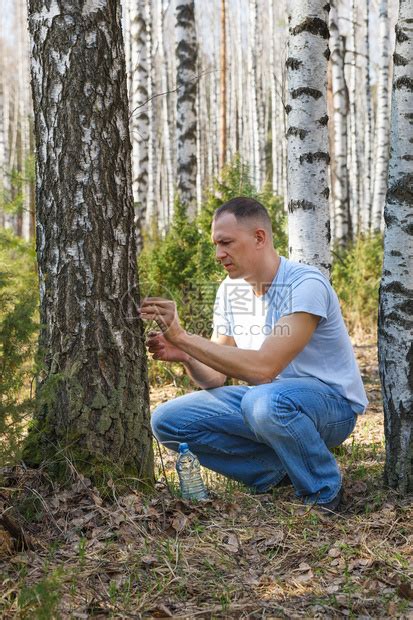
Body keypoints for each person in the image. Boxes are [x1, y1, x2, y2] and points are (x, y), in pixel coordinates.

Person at [139, 197, 368, 510]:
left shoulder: (306, 284)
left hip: (330, 407)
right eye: (216, 244)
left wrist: (183, 336)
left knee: (265, 401)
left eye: (227, 243)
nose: (219, 254)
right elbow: (216, 378)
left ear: (259, 237)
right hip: (267, 405)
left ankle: (323, 493)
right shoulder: (229, 290)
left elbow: (264, 369)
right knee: (168, 420)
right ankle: (277, 473)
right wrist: (188, 355)